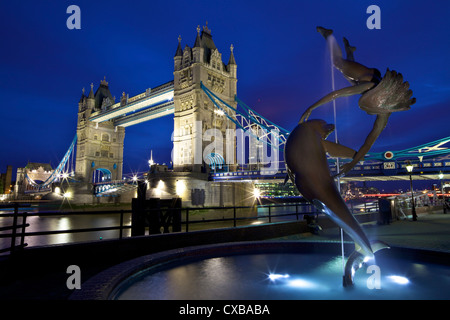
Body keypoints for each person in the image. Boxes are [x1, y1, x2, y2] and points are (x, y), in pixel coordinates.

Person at [300, 27, 416, 176]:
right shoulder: (368, 86)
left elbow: (369, 142)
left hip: (367, 81)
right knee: (338, 63)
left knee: (352, 81)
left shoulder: (384, 114)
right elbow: (337, 94)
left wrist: (353, 163)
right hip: (366, 74)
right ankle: (329, 36)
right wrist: (312, 107)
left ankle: (350, 51)